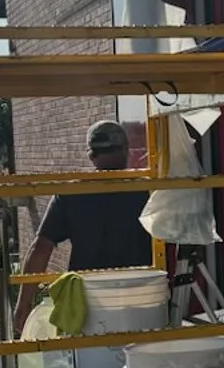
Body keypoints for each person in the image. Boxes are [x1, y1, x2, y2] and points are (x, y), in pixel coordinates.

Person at [11, 117, 153, 332]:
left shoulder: (72, 194)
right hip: (141, 295)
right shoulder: (149, 189)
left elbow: (41, 248)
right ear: (126, 150)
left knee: (92, 361)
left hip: (88, 302)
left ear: (91, 155)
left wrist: (24, 303)